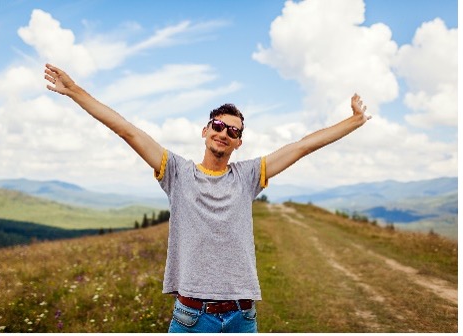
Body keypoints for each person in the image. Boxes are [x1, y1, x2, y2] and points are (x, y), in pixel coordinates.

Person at [44, 63, 371, 333]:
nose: (224, 133)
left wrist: (354, 121)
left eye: (233, 131)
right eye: (218, 125)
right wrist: (74, 91)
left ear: (238, 143)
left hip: (242, 318)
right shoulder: (176, 172)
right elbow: (127, 130)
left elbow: (302, 146)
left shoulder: (246, 177)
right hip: (192, 317)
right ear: (205, 130)